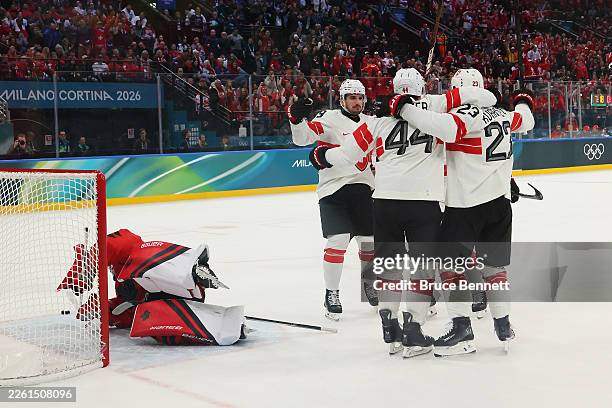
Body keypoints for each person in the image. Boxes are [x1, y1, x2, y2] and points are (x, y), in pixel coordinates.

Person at [311, 68, 496, 356]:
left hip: (383, 202)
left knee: (389, 267)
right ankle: (413, 328)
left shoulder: (377, 120)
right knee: (423, 268)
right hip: (423, 202)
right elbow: (483, 96)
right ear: (422, 87)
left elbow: (345, 155)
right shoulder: (436, 104)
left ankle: (388, 323)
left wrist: (321, 156)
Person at [416, 69, 535, 356]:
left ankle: (460, 328)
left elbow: (439, 126)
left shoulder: (464, 117)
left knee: (450, 267)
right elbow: (527, 119)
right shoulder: (504, 115)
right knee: (494, 268)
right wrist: (522, 100)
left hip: (466, 205)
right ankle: (503, 323)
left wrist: (410, 104)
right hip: (499, 203)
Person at [57, 229, 246, 346]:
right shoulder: (124, 282)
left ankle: (192, 271)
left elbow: (121, 241)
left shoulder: (133, 252)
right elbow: (130, 308)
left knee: (141, 260)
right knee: (150, 322)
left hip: (178, 285)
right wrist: (105, 310)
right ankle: (216, 324)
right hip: (173, 302)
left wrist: (85, 265)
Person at [288, 79, 377, 321]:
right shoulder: (329, 119)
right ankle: (332, 293)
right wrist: (297, 119)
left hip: (364, 188)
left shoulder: (372, 123)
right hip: (333, 190)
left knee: (369, 242)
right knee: (337, 240)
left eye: (360, 97)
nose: (357, 102)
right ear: (342, 100)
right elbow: (303, 138)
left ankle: (369, 284)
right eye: (352, 98)